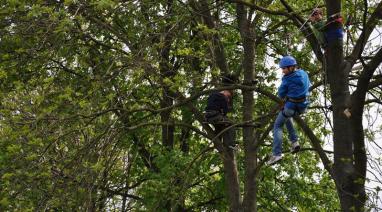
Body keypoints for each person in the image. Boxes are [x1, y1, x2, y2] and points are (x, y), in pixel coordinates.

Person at [267, 56, 311, 165]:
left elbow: (281, 94)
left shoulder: (287, 79)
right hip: (303, 107)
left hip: (291, 107)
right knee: (286, 118)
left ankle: (276, 154)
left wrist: (287, 91)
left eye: (284, 69)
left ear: (291, 67)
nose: (283, 71)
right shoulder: (304, 73)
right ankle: (294, 142)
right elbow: (308, 85)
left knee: (277, 126)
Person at [205, 74, 237, 150]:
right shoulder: (223, 97)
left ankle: (218, 141)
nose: (229, 98)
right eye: (229, 96)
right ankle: (231, 144)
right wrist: (226, 102)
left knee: (220, 126)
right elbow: (225, 111)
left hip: (208, 116)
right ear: (227, 93)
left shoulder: (213, 94)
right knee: (231, 124)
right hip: (215, 116)